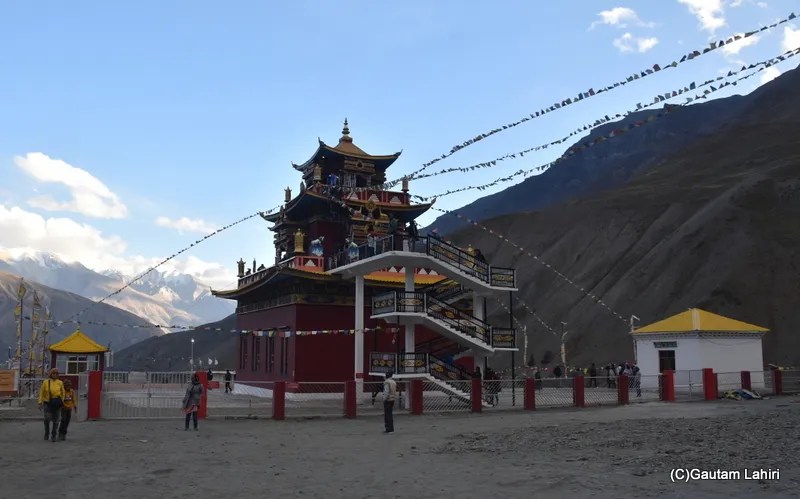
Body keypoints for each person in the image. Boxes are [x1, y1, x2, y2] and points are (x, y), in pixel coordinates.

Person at [38, 368, 65, 442]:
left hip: (57, 403)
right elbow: (41, 392)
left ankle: (54, 435)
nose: (55, 374)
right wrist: (40, 402)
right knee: (47, 419)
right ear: (51, 374)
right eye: (54, 373)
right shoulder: (46, 382)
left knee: (56, 420)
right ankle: (47, 432)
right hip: (48, 403)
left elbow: (63, 393)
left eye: (57, 373)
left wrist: (61, 401)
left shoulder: (60, 382)